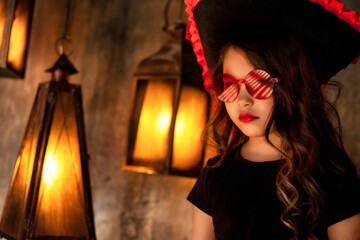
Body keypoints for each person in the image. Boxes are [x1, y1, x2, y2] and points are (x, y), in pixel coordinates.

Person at [184, 0, 360, 239]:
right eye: (229, 85)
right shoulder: (215, 174)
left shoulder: (333, 176)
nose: (243, 100)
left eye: (258, 82)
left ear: (293, 85)